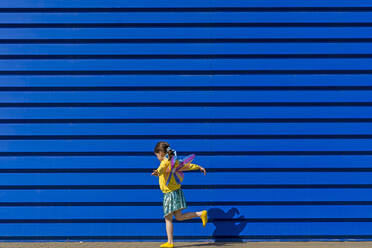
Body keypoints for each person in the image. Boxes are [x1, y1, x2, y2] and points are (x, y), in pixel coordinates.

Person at [151, 141, 208, 248]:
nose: (157, 158)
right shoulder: (175, 161)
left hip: (169, 194)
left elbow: (161, 168)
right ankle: (201, 214)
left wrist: (157, 172)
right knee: (179, 217)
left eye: (157, 155)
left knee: (168, 218)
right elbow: (187, 165)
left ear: (160, 153)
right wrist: (198, 167)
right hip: (177, 192)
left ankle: (170, 242)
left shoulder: (164, 161)